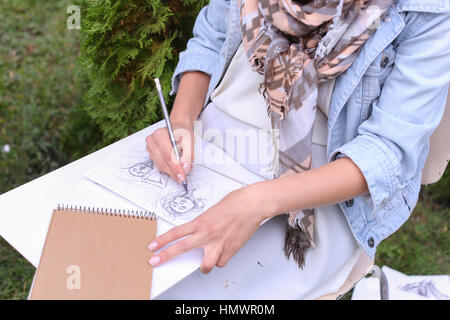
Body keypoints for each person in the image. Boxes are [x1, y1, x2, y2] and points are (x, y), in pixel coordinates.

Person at [144, 0, 450, 278]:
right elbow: (211, 39)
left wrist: (255, 202)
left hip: (317, 198)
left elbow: (386, 152)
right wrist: (181, 122)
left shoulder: (428, 10)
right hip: (208, 154)